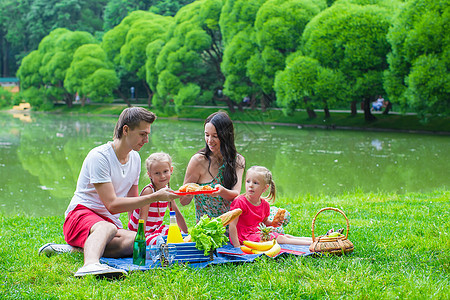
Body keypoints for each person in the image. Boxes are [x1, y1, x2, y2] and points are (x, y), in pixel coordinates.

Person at [39, 107, 180, 278]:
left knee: (137, 241)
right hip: (80, 216)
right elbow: (112, 205)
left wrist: (136, 229)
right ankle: (90, 265)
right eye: (143, 134)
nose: (147, 140)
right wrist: (155, 196)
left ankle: (75, 250)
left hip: (110, 225)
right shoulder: (99, 157)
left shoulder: (135, 158)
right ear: (126, 130)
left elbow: (132, 200)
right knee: (107, 227)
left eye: (147, 134)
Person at [180, 111, 245, 223]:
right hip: (207, 229)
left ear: (226, 136)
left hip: (233, 226)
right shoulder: (198, 161)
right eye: (207, 135)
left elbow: (235, 195)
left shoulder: (238, 160)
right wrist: (190, 191)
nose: (210, 141)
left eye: (215, 136)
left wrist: (221, 191)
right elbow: (183, 201)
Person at [228, 166, 312, 247]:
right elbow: (232, 225)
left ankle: (315, 239)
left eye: (255, 183)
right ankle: (312, 244)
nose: (250, 185)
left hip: (256, 233)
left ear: (265, 188)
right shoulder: (240, 202)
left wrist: (273, 224)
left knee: (286, 236)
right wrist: (237, 246)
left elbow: (264, 221)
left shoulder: (264, 205)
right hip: (243, 236)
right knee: (281, 238)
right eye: (248, 181)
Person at [128, 152, 188, 245]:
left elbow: (176, 213)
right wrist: (141, 243)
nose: (162, 176)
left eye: (165, 171)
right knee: (163, 242)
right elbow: (142, 219)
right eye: (157, 173)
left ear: (171, 170)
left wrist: (186, 234)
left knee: (176, 234)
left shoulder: (167, 191)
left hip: (155, 231)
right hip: (140, 234)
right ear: (150, 174)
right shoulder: (149, 191)